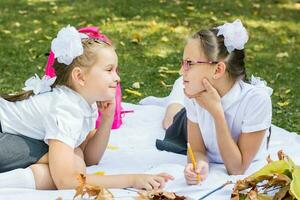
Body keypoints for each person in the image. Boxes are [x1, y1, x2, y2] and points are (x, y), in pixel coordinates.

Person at [0, 25, 173, 190]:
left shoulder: (83, 103)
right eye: (109, 70)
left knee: (76, 159)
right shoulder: (66, 108)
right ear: (80, 77)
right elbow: (66, 181)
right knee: (71, 165)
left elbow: (90, 157)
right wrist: (132, 179)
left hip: (11, 137)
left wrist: (106, 119)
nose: (117, 78)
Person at [145, 19, 273, 185]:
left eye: (189, 63)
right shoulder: (195, 94)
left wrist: (216, 113)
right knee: (170, 121)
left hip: (211, 106)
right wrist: (199, 164)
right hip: (188, 112)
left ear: (218, 69)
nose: (181, 69)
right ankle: (176, 94)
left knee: (173, 118)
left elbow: (237, 168)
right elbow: (197, 150)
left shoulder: (256, 100)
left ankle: (178, 89)